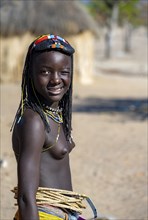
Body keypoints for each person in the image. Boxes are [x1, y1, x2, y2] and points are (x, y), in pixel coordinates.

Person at [11, 34, 97, 220]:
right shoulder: (34, 121)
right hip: (43, 214)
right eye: (45, 71)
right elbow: (26, 198)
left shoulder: (55, 112)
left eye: (64, 72)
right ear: (30, 73)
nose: (56, 79)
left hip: (64, 213)